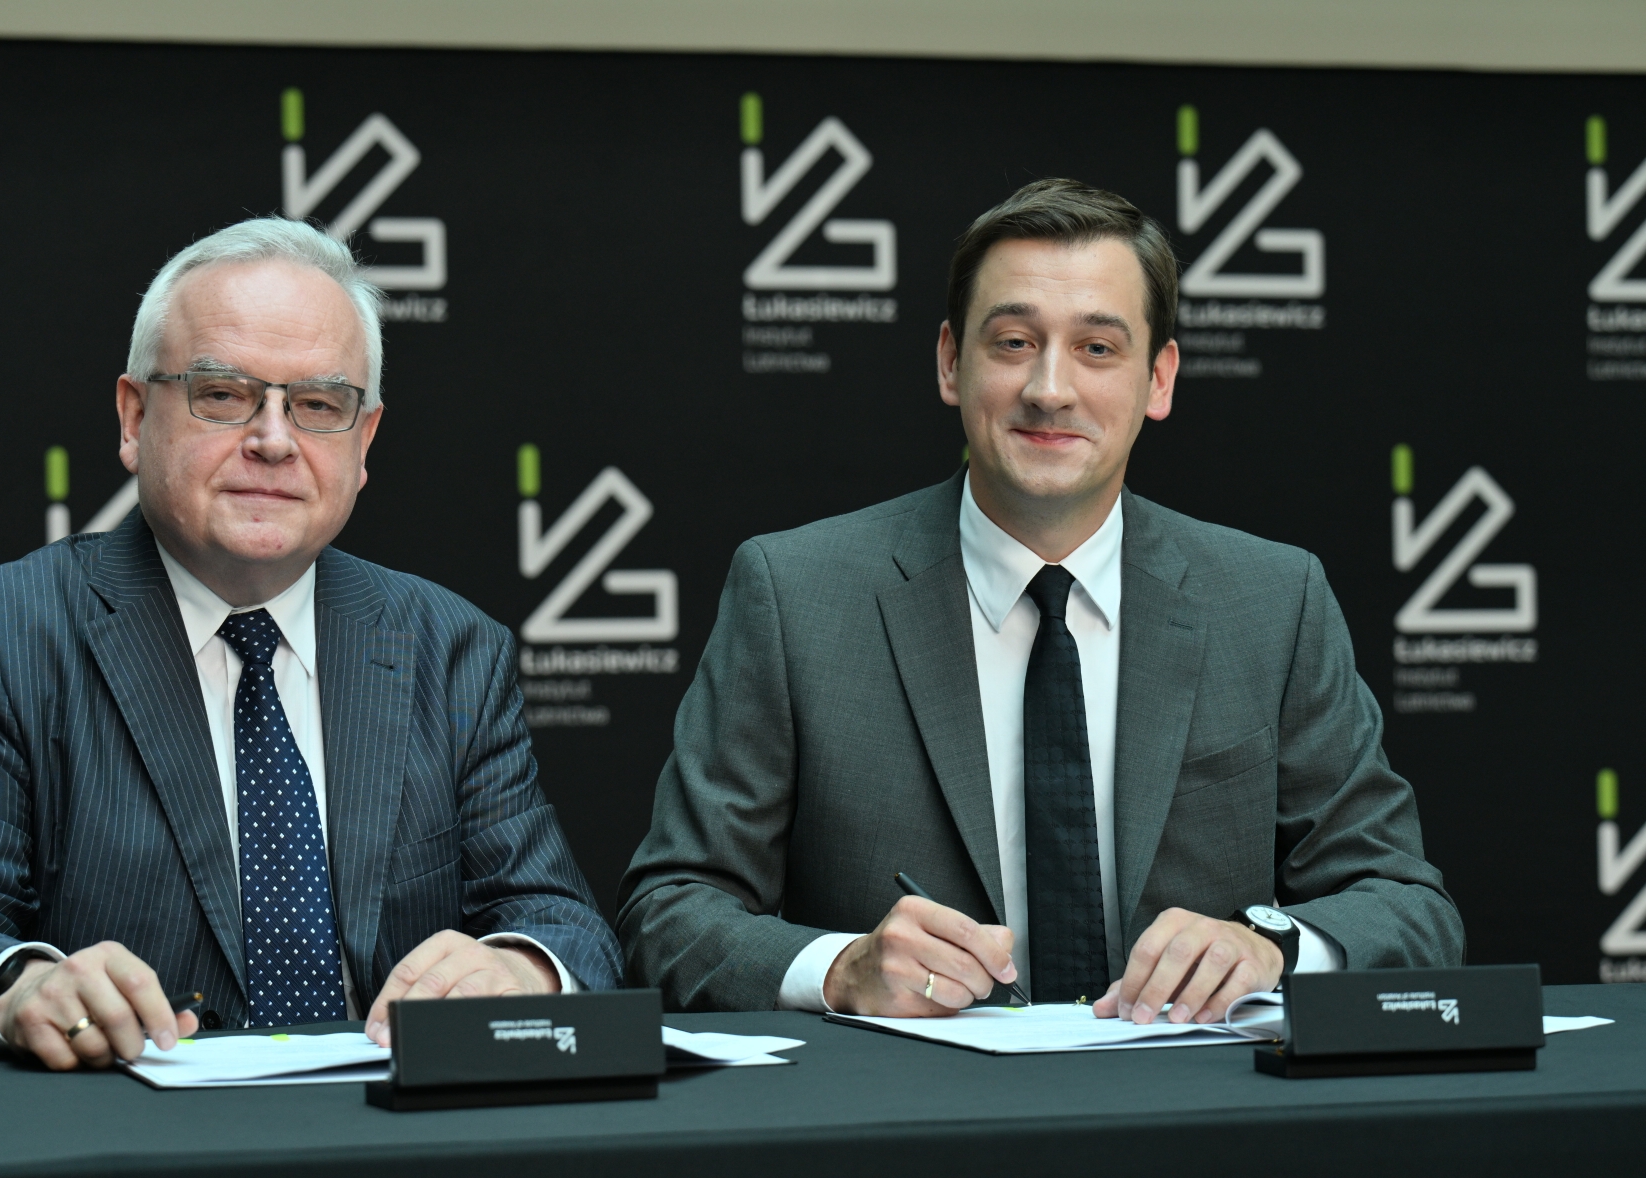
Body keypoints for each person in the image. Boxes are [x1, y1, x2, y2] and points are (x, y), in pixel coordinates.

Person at [618, 179, 1461, 1026]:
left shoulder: (1273, 603)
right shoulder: (794, 595)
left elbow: (1406, 903)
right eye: (1015, 342)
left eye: (1098, 348)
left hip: (1194, 1097)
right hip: (907, 1099)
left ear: (1159, 379)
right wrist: (841, 968)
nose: (1050, 388)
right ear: (951, 361)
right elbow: (668, 912)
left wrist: (1272, 946)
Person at [0, 217, 621, 1069]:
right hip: (132, 1132)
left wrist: (518, 968)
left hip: (391, 1127)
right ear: (134, 416)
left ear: (364, 443)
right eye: (222, 394)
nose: (274, 440)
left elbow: (564, 924)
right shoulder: (5, 634)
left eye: (319, 406)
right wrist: (23, 985)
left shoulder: (450, 648)